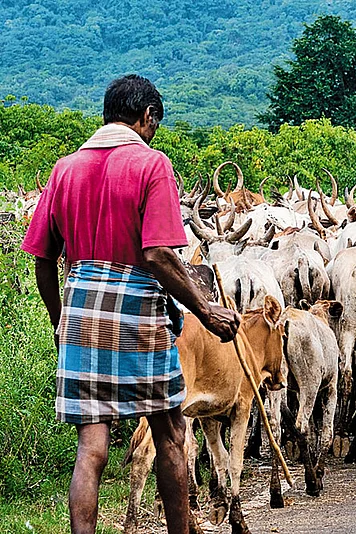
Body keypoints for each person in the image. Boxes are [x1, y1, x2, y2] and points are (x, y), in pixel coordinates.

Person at [22, 74, 240, 534]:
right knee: (170, 436)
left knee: (92, 447)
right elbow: (159, 254)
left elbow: (42, 256)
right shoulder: (151, 165)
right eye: (154, 123)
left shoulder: (65, 169)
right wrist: (206, 309)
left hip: (82, 311)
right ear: (147, 117)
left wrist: (59, 320)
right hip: (139, 310)